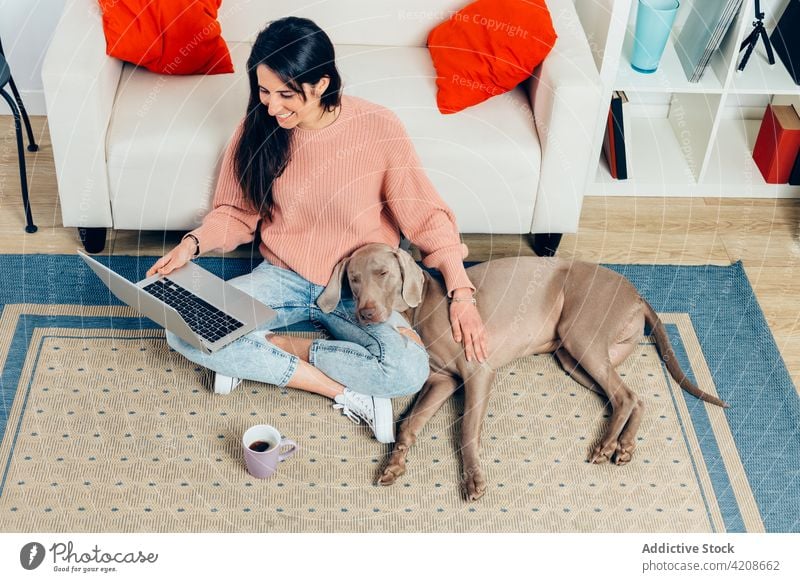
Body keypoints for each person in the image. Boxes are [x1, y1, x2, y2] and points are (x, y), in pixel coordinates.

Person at [146, 17, 487, 444]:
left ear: (321, 83)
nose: (271, 106)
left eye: (286, 94)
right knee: (184, 330)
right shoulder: (257, 128)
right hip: (282, 277)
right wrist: (191, 245)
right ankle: (336, 390)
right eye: (263, 91)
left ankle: (271, 349)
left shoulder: (378, 128)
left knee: (407, 371)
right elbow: (236, 213)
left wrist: (461, 291)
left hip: (355, 288)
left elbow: (426, 217)